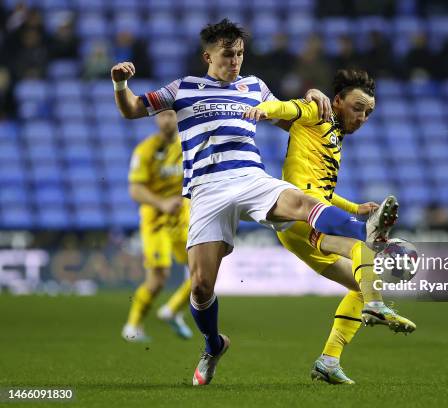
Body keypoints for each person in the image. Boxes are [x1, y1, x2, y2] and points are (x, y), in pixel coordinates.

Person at [110, 19, 397, 386]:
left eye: (240, 54)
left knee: (300, 202)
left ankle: (367, 233)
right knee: (200, 287)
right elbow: (131, 108)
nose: (235, 61)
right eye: (228, 55)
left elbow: (290, 117)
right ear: (208, 55)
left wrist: (311, 95)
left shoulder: (255, 87)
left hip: (250, 177)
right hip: (207, 189)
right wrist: (120, 83)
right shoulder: (182, 88)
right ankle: (213, 345)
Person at [244, 69, 416, 385]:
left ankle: (329, 360)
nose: (363, 117)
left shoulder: (333, 137)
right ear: (337, 101)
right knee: (362, 250)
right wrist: (262, 110)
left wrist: (353, 207)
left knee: (362, 281)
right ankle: (377, 300)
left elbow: (324, 190)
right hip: (298, 212)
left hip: (306, 221)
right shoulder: (317, 112)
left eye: (368, 112)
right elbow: (286, 108)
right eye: (357, 107)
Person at [121, 110, 193, 342]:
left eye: (171, 115)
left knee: (205, 270)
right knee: (158, 278)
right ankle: (132, 326)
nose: (166, 120)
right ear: (155, 119)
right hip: (156, 221)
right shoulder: (145, 150)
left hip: (184, 218)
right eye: (162, 116)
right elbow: (135, 189)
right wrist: (161, 203)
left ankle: (172, 310)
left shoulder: (189, 145)